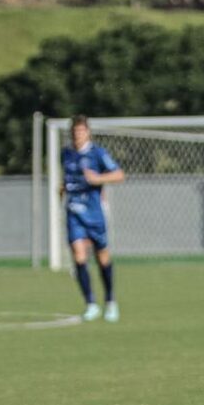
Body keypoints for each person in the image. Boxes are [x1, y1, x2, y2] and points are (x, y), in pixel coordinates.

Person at [61, 115, 125, 322]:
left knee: (102, 258)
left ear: (87, 132)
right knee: (79, 256)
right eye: (74, 131)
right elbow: (67, 177)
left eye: (80, 131)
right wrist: (62, 188)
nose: (77, 135)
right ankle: (90, 303)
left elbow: (119, 175)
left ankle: (110, 301)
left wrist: (98, 179)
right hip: (74, 212)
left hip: (94, 213)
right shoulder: (66, 154)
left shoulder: (98, 153)